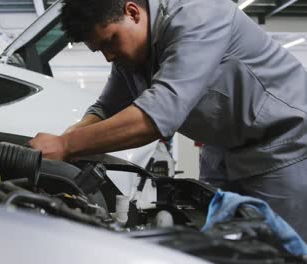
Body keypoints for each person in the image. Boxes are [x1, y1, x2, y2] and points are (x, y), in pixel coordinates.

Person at [29, 0, 307, 239]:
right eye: (99, 50)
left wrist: (67, 145)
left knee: (277, 248)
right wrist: (65, 140)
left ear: (133, 12)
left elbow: (157, 116)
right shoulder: (132, 56)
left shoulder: (197, 16)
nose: (108, 56)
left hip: (281, 143)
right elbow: (106, 107)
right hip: (222, 149)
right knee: (218, 244)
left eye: (110, 41)